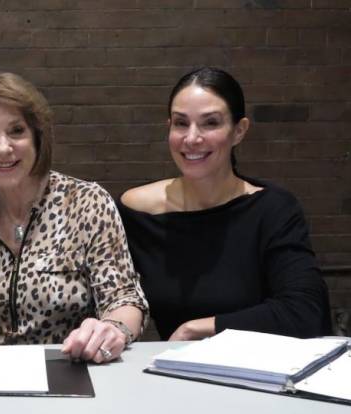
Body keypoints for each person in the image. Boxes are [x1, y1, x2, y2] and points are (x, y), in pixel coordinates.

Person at [0, 72, 148, 363]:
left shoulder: (87, 203)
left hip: (76, 372)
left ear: (37, 134)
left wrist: (111, 329)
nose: (3, 147)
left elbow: (124, 299)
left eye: (16, 130)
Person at [118, 66, 332, 341]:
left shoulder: (273, 209)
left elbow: (305, 311)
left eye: (210, 123)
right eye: (181, 123)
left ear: (239, 131)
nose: (192, 138)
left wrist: (196, 328)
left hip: (261, 373)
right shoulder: (137, 211)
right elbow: (117, 296)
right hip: (177, 375)